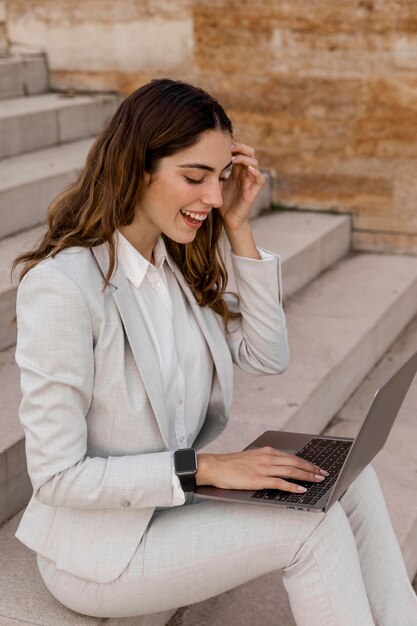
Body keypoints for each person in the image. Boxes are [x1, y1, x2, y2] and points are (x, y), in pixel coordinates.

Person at [13, 79, 417, 625]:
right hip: (101, 553)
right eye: (195, 177)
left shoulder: (174, 271)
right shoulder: (65, 287)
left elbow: (267, 354)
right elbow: (58, 476)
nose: (213, 196)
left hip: (173, 508)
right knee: (310, 525)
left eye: (222, 178)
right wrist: (204, 467)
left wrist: (240, 229)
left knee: (347, 474)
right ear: (136, 168)